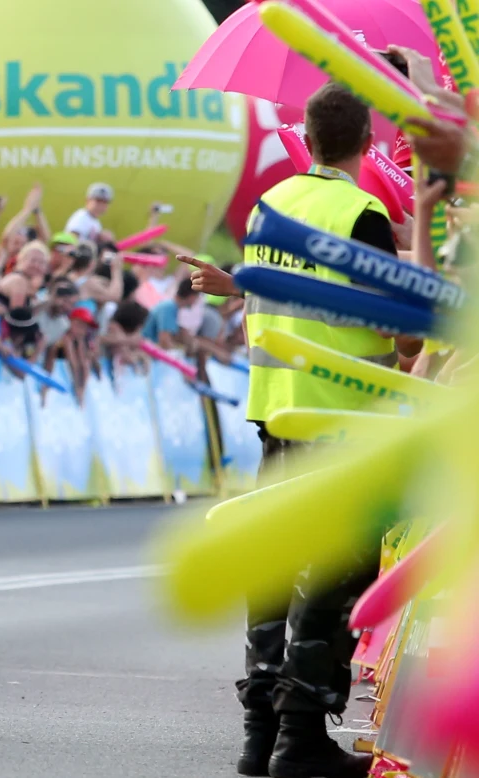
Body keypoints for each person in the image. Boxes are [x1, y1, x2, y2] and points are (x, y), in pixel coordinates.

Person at [194, 83, 406, 778]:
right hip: (341, 415)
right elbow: (388, 328)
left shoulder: (270, 204)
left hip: (274, 408)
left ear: (307, 141)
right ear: (367, 143)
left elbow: (269, 289)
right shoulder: (363, 212)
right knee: (338, 574)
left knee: (275, 567)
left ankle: (259, 735)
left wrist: (231, 283)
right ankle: (300, 740)